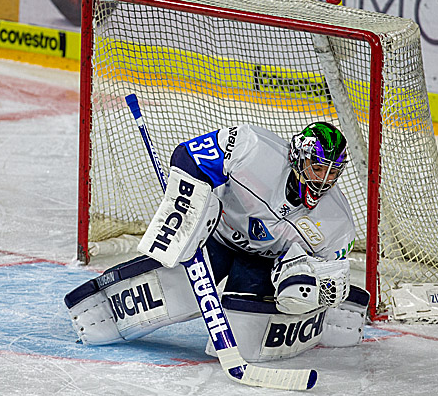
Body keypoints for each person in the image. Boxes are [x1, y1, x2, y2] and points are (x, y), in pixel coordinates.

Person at [64, 120, 370, 363]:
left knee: (277, 305)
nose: (324, 179)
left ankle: (302, 324)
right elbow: (187, 155)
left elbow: (331, 274)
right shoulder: (252, 148)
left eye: (333, 172)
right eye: (317, 167)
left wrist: (322, 291)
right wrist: (189, 214)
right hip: (215, 238)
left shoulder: (337, 221)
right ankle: (101, 312)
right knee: (174, 286)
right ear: (297, 158)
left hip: (264, 265)